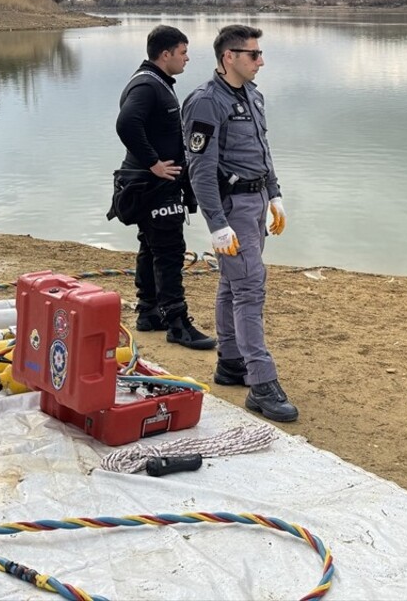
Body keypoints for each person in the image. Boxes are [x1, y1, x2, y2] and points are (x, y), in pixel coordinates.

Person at [181, 24, 296, 422]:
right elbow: (200, 168)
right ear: (229, 57)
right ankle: (262, 385)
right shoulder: (205, 103)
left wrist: (275, 194)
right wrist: (217, 224)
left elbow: (262, 150)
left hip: (255, 202)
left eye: (260, 53)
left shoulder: (252, 95)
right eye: (253, 54)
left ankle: (230, 363)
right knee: (250, 287)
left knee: (233, 282)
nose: (260, 61)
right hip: (231, 208)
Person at [111, 25, 216, 351]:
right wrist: (154, 162)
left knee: (150, 246)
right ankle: (177, 323)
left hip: (149, 184)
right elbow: (126, 123)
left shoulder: (155, 83)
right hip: (155, 185)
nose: (187, 58)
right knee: (169, 252)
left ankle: (149, 312)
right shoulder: (147, 86)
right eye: (183, 52)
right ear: (166, 54)